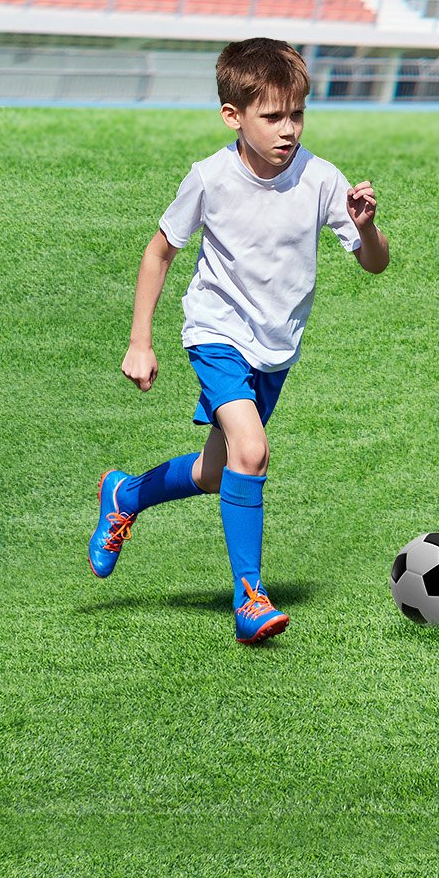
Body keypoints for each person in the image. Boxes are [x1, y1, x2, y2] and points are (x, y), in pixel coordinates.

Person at [90, 37, 389, 644]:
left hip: (275, 349)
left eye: (297, 114)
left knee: (215, 471)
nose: (288, 130)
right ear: (233, 115)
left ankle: (125, 494)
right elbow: (159, 253)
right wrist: (139, 340)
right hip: (216, 333)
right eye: (272, 116)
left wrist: (367, 226)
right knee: (251, 451)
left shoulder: (322, 179)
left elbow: (374, 264)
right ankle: (250, 598)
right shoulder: (210, 178)